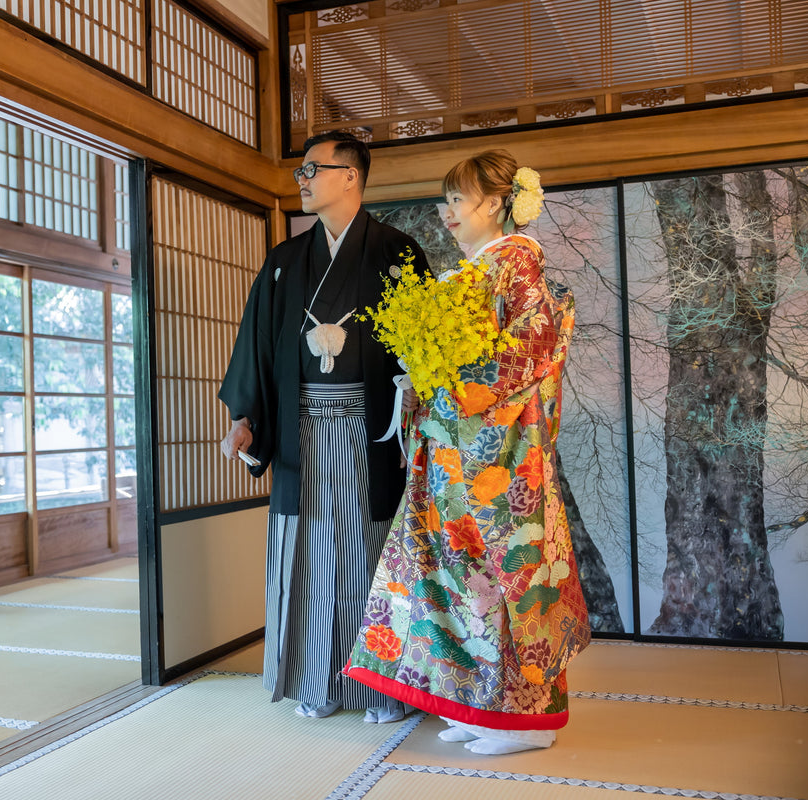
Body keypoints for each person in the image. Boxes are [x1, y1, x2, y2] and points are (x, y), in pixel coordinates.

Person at [343, 150, 591, 753]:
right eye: (446, 199)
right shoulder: (479, 271)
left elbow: (527, 356)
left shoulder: (516, 269)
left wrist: (445, 375)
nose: (446, 211)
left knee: (505, 577)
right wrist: (422, 371)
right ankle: (475, 703)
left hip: (497, 464)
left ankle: (521, 719)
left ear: (496, 203)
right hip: (458, 455)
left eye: (456, 199)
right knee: (455, 576)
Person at [219, 131, 430, 723]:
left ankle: (382, 689)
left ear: (351, 177)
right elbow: (257, 346)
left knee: (371, 555)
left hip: (371, 434)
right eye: (301, 171)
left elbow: (422, 350)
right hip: (301, 432)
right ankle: (316, 683)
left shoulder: (398, 252)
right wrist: (245, 417)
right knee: (308, 557)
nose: (304, 179)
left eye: (313, 169)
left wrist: (417, 396)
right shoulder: (286, 261)